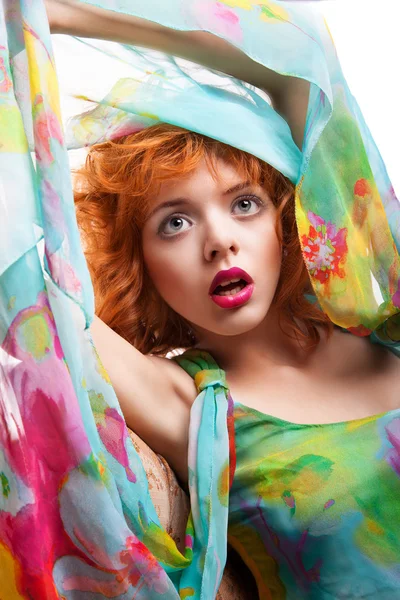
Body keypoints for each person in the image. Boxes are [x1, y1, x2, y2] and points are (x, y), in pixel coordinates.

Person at [1, 1, 399, 598]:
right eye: (175, 223)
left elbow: (300, 60)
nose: (219, 241)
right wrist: (19, 46)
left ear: (286, 223)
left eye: (244, 204)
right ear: (141, 266)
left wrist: (56, 13)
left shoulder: (387, 319)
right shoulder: (190, 407)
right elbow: (27, 274)